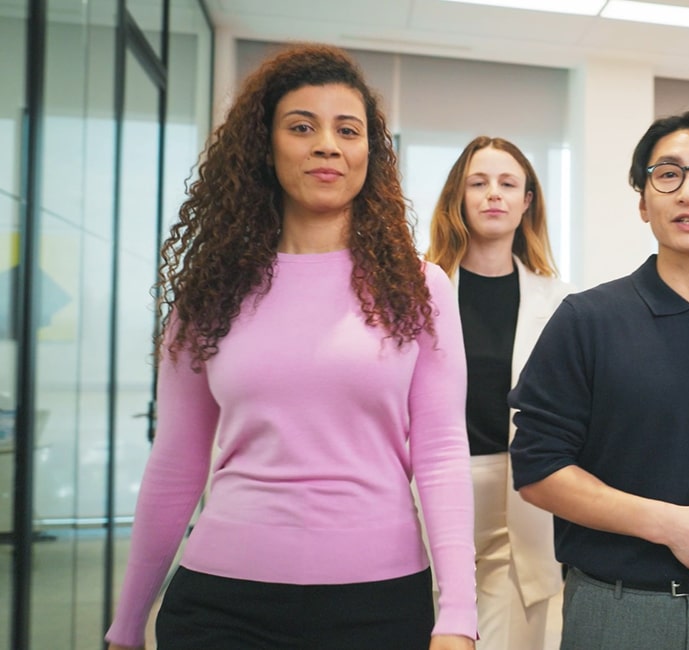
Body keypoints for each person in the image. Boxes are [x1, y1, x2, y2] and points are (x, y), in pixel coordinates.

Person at [105, 44, 476, 650]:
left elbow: (438, 454)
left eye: (347, 129)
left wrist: (458, 615)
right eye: (302, 126)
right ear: (266, 146)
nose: (326, 144)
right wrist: (126, 627)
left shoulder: (419, 286)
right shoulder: (209, 293)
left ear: (368, 154)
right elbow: (175, 464)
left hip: (379, 604)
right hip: (222, 602)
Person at [508, 110, 689, 650]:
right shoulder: (587, 320)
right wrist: (672, 526)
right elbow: (537, 468)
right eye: (667, 175)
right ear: (644, 202)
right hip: (620, 608)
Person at [426, 136, 572, 650]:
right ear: (458, 198)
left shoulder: (558, 302)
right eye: (479, 183)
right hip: (434, 487)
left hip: (518, 493)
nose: (494, 195)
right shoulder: (419, 288)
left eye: (508, 184)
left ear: (527, 200)